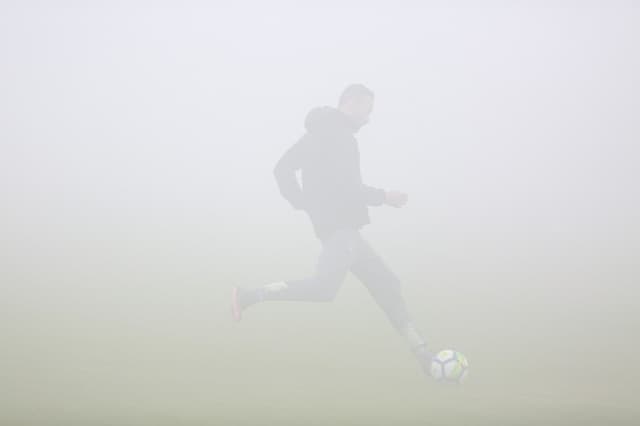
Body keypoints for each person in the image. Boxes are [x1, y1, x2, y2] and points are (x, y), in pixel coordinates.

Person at [231, 84, 434, 375]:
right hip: (340, 230)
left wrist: (303, 202)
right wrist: (383, 196)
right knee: (323, 288)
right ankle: (248, 295)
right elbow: (347, 187)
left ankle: (423, 354)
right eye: (367, 110)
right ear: (350, 102)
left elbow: (283, 168)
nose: (368, 119)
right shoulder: (337, 136)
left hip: (345, 230)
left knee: (387, 284)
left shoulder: (320, 132)